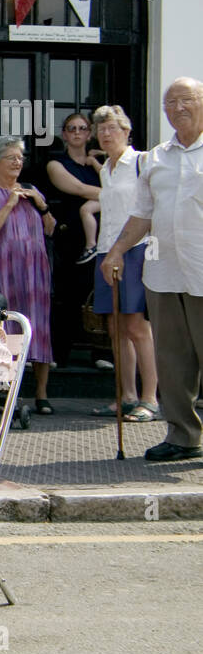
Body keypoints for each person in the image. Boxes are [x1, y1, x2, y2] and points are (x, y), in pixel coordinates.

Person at [102, 77, 203, 462]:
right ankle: (183, 436)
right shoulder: (156, 158)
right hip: (164, 272)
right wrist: (115, 253)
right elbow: (142, 214)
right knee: (172, 361)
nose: (177, 108)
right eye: (170, 102)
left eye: (186, 100)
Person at [0, 136, 56, 413]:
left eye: (20, 157)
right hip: (3, 270)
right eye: (11, 157)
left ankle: (41, 394)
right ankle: (5, 392)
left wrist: (41, 205)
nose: (17, 162)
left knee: (39, 326)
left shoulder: (32, 192)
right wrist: (9, 204)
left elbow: (50, 229)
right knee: (6, 328)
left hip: (35, 270)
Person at [88, 105, 157, 422]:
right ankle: (126, 396)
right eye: (100, 128)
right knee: (115, 327)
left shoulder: (142, 162)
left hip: (135, 249)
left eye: (112, 128)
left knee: (136, 326)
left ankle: (150, 398)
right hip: (106, 249)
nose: (105, 133)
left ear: (127, 132)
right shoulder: (105, 169)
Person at [45, 112, 102, 366]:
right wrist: (120, 191)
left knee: (100, 295)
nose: (77, 133)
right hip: (71, 237)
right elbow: (78, 189)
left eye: (82, 128)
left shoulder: (100, 165)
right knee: (68, 298)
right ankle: (60, 354)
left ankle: (101, 354)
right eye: (71, 128)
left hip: (103, 236)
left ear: (89, 133)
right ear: (65, 134)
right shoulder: (56, 164)